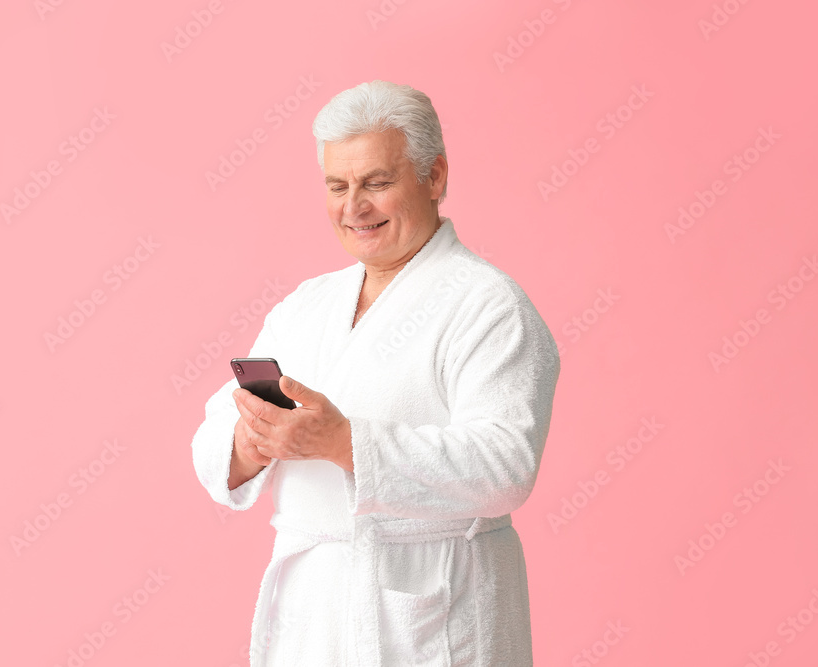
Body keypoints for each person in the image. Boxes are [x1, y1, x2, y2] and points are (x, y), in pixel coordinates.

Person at [191, 80, 560, 666]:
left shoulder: (489, 305)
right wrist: (252, 439)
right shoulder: (306, 305)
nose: (352, 207)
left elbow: (507, 466)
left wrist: (345, 443)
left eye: (377, 183)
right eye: (337, 186)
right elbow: (215, 438)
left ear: (434, 177)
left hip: (434, 609)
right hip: (311, 612)